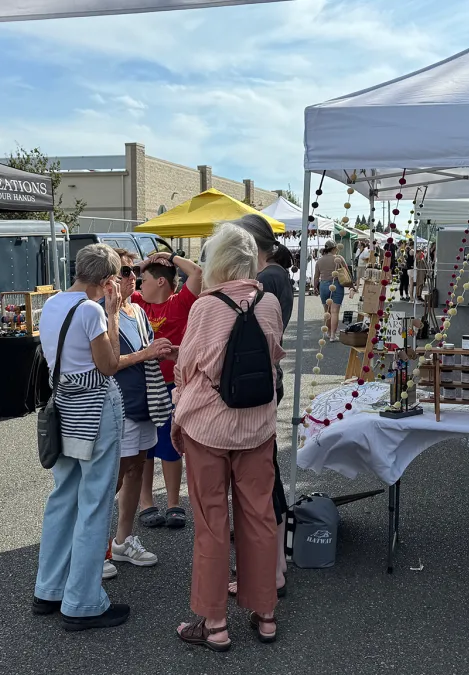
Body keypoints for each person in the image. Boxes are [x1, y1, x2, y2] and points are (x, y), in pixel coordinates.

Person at [172, 224, 285, 651]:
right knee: (259, 517)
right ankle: (266, 613)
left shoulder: (205, 307)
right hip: (257, 426)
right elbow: (274, 357)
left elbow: (187, 367)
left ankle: (214, 624)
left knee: (212, 522)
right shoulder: (269, 302)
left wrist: (180, 410)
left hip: (207, 427)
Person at [32, 243, 129, 631]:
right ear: (107, 281)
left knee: (63, 497)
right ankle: (83, 601)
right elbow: (108, 365)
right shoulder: (92, 311)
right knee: (94, 502)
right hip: (94, 408)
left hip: (64, 405)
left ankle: (49, 588)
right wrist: (114, 315)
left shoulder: (53, 304)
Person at [227, 214, 293, 603]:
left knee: (262, 476)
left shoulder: (265, 281)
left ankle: (271, 569)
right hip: (269, 378)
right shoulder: (278, 276)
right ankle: (276, 565)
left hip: (257, 381)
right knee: (267, 470)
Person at [106, 249, 175, 570]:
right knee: (113, 478)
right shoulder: (101, 313)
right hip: (120, 406)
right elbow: (105, 364)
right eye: (124, 272)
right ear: (108, 278)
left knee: (136, 470)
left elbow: (142, 356)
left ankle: (122, 540)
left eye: (134, 271)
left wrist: (160, 352)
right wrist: (146, 354)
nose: (132, 276)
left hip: (145, 403)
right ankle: (96, 548)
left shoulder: (136, 311)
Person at [132, 251, 203, 530]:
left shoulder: (180, 303)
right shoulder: (137, 302)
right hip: (144, 386)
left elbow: (196, 273)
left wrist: (169, 256)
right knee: (145, 447)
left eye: (144, 280)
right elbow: (117, 282)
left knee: (171, 445)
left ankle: (174, 502)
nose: (139, 285)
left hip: (173, 385)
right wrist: (141, 264)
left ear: (161, 282)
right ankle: (146, 502)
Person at [315, 240, 348, 341]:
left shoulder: (319, 261)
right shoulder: (339, 258)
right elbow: (346, 271)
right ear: (334, 248)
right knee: (334, 312)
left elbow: (316, 276)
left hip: (324, 285)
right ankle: (333, 335)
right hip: (336, 285)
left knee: (327, 312)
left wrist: (315, 287)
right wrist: (352, 285)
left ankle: (328, 332)